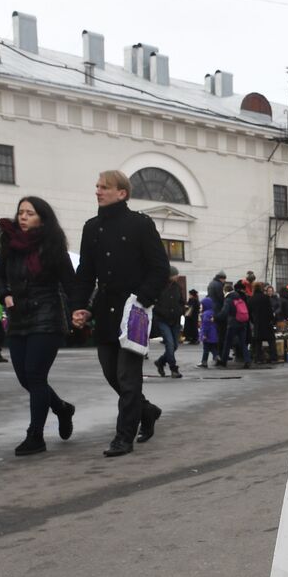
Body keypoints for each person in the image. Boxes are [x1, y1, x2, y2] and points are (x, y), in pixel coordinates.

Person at [67, 170, 170, 457]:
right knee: (111, 373)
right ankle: (146, 411)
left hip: (134, 311)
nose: (97, 191)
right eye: (97, 186)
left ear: (121, 193)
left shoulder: (140, 224)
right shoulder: (91, 228)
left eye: (104, 187)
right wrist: (79, 306)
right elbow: (85, 273)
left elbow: (160, 268)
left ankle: (124, 437)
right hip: (105, 311)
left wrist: (143, 299)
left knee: (128, 377)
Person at [0, 196, 77, 457]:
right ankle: (62, 408)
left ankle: (35, 435)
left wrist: (79, 310)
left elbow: (70, 282)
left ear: (42, 217)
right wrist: (4, 293)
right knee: (25, 377)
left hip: (47, 315)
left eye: (29, 213)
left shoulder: (52, 245)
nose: (23, 217)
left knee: (35, 375)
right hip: (18, 316)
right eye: (21, 212)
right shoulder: (10, 243)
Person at [152, 268, 184, 379]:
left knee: (174, 346)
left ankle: (160, 362)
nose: (177, 277)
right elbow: (154, 303)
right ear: (169, 275)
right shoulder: (159, 287)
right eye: (175, 275)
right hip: (163, 320)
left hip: (175, 320)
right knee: (170, 344)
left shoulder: (177, 287)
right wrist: (161, 312)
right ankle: (174, 369)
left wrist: (180, 311)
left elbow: (181, 302)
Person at [221, 280, 250, 369]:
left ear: (225, 291)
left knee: (228, 342)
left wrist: (216, 317)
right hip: (242, 323)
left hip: (233, 324)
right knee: (243, 343)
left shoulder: (228, 299)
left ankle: (223, 361)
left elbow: (224, 312)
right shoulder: (239, 298)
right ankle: (247, 360)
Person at [250, 281, 276, 364]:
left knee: (258, 342)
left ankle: (258, 358)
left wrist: (253, 321)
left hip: (257, 323)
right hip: (266, 322)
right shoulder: (265, 298)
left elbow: (249, 312)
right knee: (271, 340)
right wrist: (272, 319)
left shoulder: (251, 298)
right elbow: (269, 311)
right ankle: (273, 357)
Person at [197, 294, 219, 368]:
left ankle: (204, 362)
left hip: (207, 334)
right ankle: (216, 356)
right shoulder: (213, 312)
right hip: (213, 333)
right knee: (212, 347)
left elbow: (205, 325)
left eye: (202, 305)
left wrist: (204, 334)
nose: (201, 306)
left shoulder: (205, 314)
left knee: (206, 349)